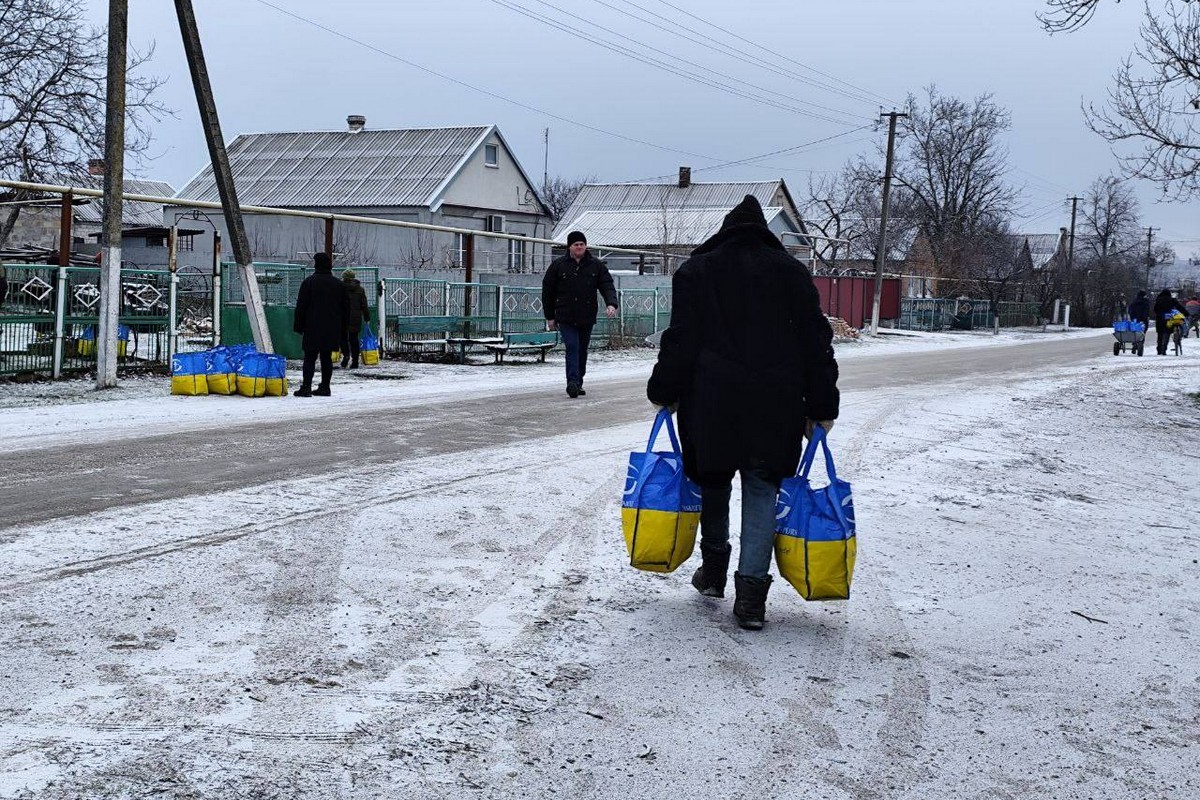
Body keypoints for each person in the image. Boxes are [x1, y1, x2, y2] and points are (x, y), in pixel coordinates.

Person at [646, 195, 840, 631]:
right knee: (761, 488)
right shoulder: (791, 272)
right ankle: (751, 597)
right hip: (776, 402)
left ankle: (714, 572)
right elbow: (816, 342)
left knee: (712, 479)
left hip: (712, 399)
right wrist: (822, 406)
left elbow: (681, 339)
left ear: (725, 230)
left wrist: (664, 390)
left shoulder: (698, 271)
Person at [542, 230, 618, 398]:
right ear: (570, 246)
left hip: (586, 315)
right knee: (572, 346)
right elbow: (547, 291)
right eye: (576, 244)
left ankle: (579, 381)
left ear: (586, 246)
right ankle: (572, 382)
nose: (579, 247)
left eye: (582, 244)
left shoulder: (595, 265)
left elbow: (607, 285)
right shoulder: (558, 266)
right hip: (565, 316)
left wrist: (611, 303)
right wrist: (550, 316)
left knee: (582, 349)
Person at [293, 252, 347, 396]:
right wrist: (343, 330)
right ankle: (325, 386)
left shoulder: (309, 282)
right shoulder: (338, 285)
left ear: (316, 264)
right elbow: (345, 309)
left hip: (312, 326)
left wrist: (298, 326)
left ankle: (306, 387)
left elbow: (301, 307)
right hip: (331, 328)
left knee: (310, 357)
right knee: (326, 357)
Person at [340, 269, 371, 368]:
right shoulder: (360, 289)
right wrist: (367, 317)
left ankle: (346, 355)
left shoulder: (340, 287)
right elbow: (364, 305)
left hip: (342, 317)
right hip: (355, 317)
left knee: (342, 338)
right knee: (354, 340)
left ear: (344, 278)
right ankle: (355, 362)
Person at [1152, 288, 1188, 355]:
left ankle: (1159, 350)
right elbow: (1179, 307)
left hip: (1160, 319)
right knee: (1167, 333)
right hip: (1169, 319)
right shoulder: (1171, 300)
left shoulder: (1158, 300)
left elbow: (1155, 309)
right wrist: (1186, 313)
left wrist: (1159, 314)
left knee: (1160, 334)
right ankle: (1164, 349)